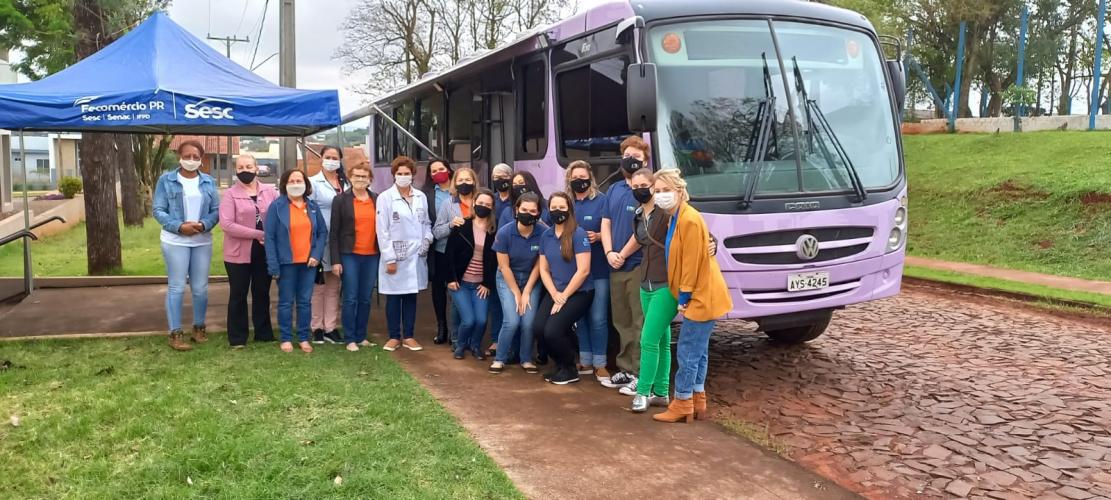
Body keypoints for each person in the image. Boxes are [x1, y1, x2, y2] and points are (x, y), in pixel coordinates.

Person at [650, 169, 733, 423]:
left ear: (679, 190)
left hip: (700, 294)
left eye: (666, 190)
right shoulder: (676, 216)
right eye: (658, 191)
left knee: (687, 350)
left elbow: (691, 264)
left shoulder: (688, 218)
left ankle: (682, 402)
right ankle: (697, 399)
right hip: (699, 292)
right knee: (699, 350)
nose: (662, 195)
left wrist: (684, 298)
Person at [153, 140, 220, 352]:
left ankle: (199, 328)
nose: (191, 160)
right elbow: (158, 209)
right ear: (179, 156)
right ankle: (175, 333)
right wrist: (180, 226)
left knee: (200, 288)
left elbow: (216, 210)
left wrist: (203, 224)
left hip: (202, 240)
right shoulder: (166, 180)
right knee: (177, 286)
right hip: (175, 240)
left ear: (201, 159)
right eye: (187, 156)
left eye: (196, 157)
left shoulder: (208, 182)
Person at [600, 136, 650, 391]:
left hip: (638, 263)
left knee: (639, 321)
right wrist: (609, 252)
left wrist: (623, 253)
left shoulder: (647, 189)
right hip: (615, 265)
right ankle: (625, 369)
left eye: (637, 158)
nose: (631, 161)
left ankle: (641, 372)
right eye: (627, 156)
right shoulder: (615, 189)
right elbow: (606, 222)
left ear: (645, 161)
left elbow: (645, 228)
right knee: (621, 320)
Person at [626, 168, 674, 411]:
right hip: (646, 282)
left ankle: (643, 391)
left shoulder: (667, 214)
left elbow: (698, 234)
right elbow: (639, 242)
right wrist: (621, 254)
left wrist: (711, 245)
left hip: (666, 284)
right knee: (662, 339)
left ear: (654, 185)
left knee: (648, 339)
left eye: (644, 184)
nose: (639, 189)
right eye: (635, 186)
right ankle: (661, 391)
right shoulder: (637, 215)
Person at [265, 169, 329, 353]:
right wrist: (273, 264)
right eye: (291, 181)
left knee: (304, 302)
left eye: (299, 180)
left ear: (306, 183)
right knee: (285, 302)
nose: (295, 184)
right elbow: (269, 237)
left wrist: (316, 255)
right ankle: (285, 338)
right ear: (285, 184)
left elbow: (322, 233)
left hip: (308, 263)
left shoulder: (313, 206)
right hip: (286, 263)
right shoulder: (277, 207)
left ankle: (303, 337)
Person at [534, 192, 595, 385]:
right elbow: (543, 269)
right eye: (553, 208)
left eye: (562, 207)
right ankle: (560, 364)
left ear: (569, 209)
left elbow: (583, 271)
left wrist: (564, 296)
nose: (557, 211)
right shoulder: (547, 235)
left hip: (579, 292)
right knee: (538, 328)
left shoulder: (578, 234)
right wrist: (554, 294)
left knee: (553, 331)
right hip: (556, 291)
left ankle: (569, 368)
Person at [219, 153, 278, 348]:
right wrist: (258, 234)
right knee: (238, 294)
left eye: (249, 167)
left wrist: (269, 236)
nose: (245, 171)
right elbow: (227, 224)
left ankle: (263, 333)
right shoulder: (230, 194)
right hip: (238, 253)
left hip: (264, 251)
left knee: (262, 292)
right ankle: (237, 337)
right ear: (236, 170)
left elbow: (278, 216)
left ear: (256, 168)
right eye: (241, 167)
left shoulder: (270, 191)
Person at [377, 156, 433, 352]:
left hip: (416, 255)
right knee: (393, 297)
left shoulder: (420, 197)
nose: (403, 176)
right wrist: (389, 258)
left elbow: (426, 222)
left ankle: (409, 336)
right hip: (395, 254)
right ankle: (394, 336)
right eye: (399, 173)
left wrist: (427, 239)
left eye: (406, 173)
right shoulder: (385, 198)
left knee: (411, 296)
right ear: (393, 175)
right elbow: (382, 231)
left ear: (413, 175)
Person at [488, 193, 546, 374]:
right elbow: (504, 267)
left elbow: (539, 265)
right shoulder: (505, 232)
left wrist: (527, 291)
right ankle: (500, 358)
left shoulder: (543, 233)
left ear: (538, 213)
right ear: (516, 210)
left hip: (531, 279)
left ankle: (526, 359)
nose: (528, 213)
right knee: (512, 321)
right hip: (508, 278)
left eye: (532, 211)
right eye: (524, 210)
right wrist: (517, 294)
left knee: (528, 322)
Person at [565, 161, 611, 382]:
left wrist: (600, 237)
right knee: (580, 317)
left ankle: (600, 363)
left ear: (590, 177)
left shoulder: (602, 201)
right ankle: (585, 359)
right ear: (569, 179)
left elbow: (613, 229)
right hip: (574, 272)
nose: (579, 181)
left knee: (599, 317)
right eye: (575, 177)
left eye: (583, 176)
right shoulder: (567, 203)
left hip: (599, 268)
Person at [329, 161, 379, 352]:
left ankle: (361, 335)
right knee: (350, 297)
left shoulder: (376, 199)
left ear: (369, 179)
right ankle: (349, 338)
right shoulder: (341, 200)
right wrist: (335, 260)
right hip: (349, 254)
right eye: (356, 176)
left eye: (364, 176)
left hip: (372, 254)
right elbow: (334, 233)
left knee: (365, 297)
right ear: (350, 177)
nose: (360, 179)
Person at [444, 189, 498, 360]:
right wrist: (451, 279)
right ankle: (460, 346)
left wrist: (487, 283)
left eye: (488, 205)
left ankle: (475, 345)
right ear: (474, 203)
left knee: (481, 320)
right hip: (460, 283)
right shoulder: (462, 226)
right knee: (468, 320)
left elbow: (495, 262)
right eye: (480, 203)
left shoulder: (493, 232)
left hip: (480, 285)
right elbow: (449, 254)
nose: (483, 207)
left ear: (492, 208)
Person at [308, 145, 348, 344]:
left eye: (335, 157)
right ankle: (316, 327)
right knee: (318, 286)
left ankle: (331, 327)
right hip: (319, 240)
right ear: (321, 159)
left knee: (334, 285)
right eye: (328, 157)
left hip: (340, 241)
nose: (331, 160)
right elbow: (309, 211)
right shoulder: (313, 183)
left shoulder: (346, 183)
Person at [424, 159, 455, 345]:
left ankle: (455, 328)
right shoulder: (426, 194)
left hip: (460, 249)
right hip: (439, 248)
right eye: (434, 171)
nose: (438, 173)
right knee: (438, 289)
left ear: (449, 170)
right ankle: (441, 327)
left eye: (441, 169)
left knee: (456, 288)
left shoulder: (460, 189)